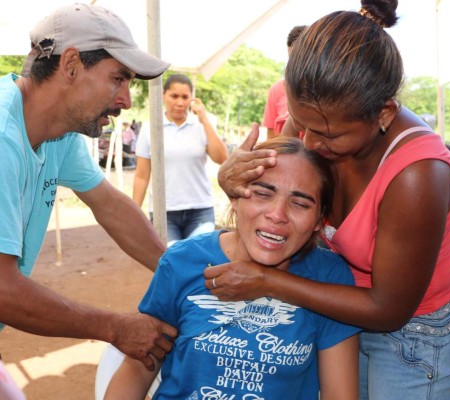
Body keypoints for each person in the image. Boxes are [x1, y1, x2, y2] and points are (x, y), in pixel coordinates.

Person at [208, 1, 450, 399]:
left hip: (413, 334)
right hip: (332, 307)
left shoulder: (417, 175)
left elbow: (389, 308)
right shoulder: (319, 115)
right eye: (300, 123)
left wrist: (267, 281)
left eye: (327, 135)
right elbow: (272, 203)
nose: (309, 143)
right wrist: (232, 180)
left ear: (383, 114)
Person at [105, 137, 360, 400]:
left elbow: (340, 394)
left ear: (320, 220)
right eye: (262, 193)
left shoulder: (329, 276)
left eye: (300, 203)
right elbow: (137, 368)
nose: (277, 214)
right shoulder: (182, 261)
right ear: (235, 197)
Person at [0, 3, 177, 371]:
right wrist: (115, 328)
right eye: (118, 78)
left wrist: (177, 275)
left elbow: (110, 206)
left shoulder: (57, 133)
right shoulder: (3, 137)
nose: (126, 100)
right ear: (71, 65)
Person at [132, 73, 228, 246]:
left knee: (200, 262)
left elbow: (222, 158)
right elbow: (141, 175)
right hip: (164, 211)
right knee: (171, 260)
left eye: (185, 97)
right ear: (163, 96)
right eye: (174, 96)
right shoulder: (150, 127)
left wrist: (204, 119)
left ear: (192, 99)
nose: (180, 102)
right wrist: (134, 213)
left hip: (200, 209)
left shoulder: (201, 124)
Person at [261, 25, 307, 140]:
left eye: (302, 59)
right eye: (292, 59)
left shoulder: (325, 88)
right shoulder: (277, 89)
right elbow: (271, 137)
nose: (296, 65)